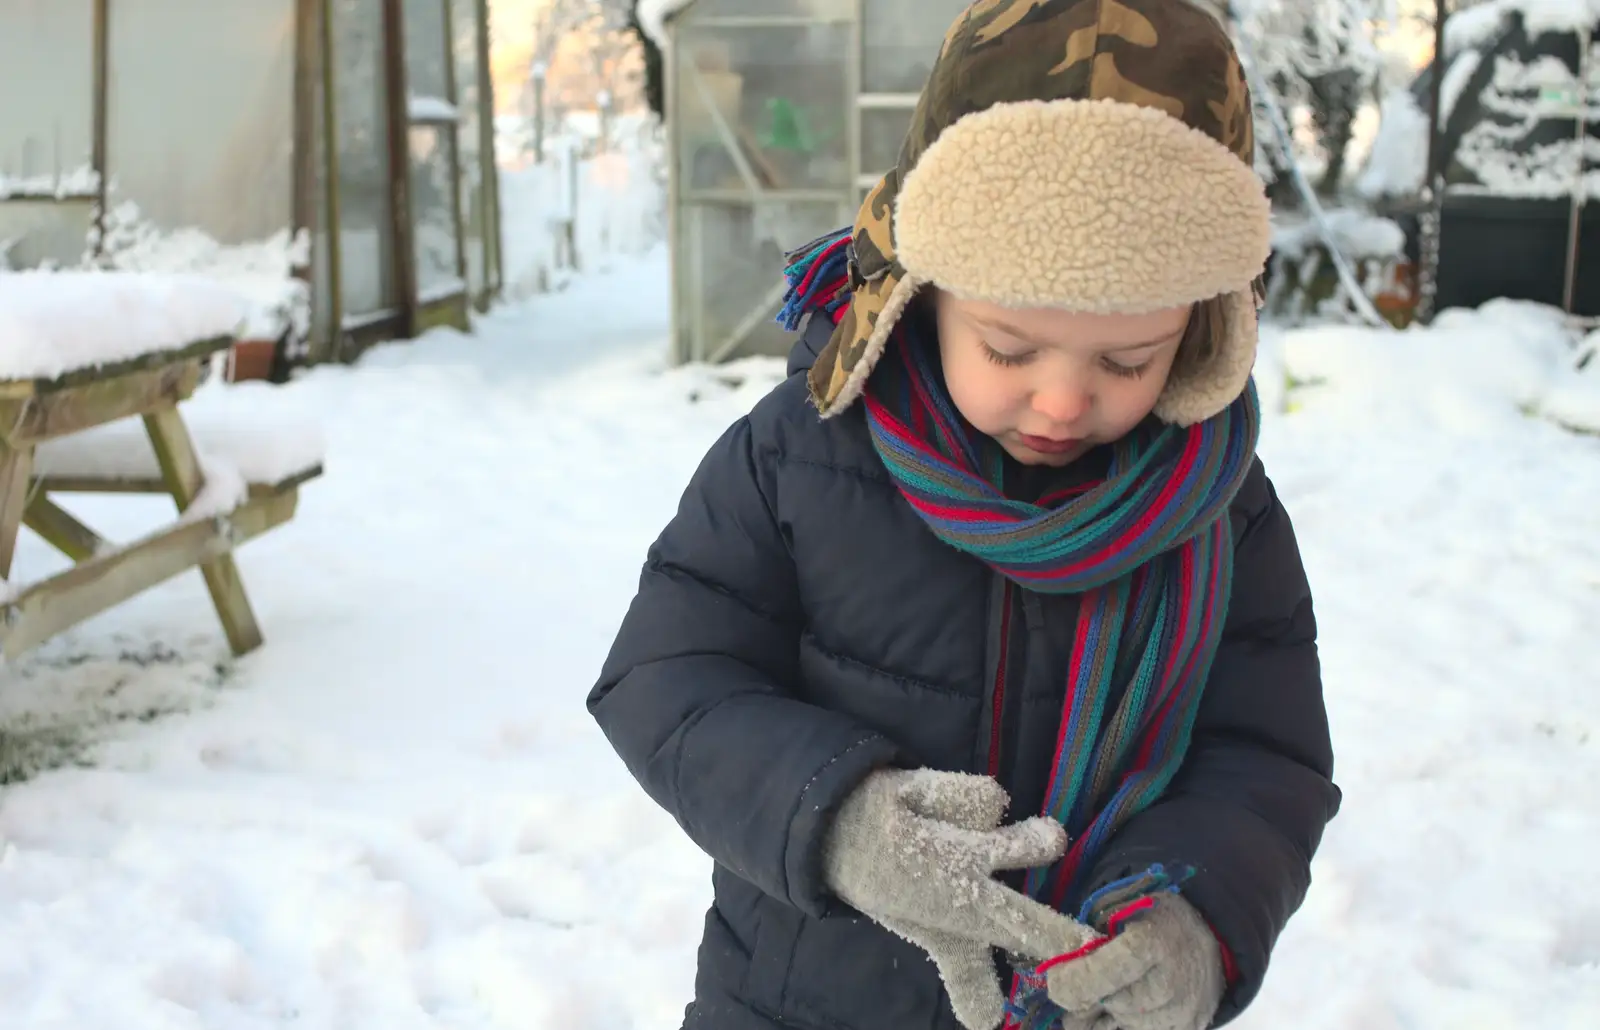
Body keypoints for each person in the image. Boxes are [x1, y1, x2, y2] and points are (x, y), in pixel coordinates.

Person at [587, 2, 1341, 1029]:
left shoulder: (1220, 513)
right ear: (923, 291)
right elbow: (664, 677)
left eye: (1128, 359)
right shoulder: (802, 454)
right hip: (799, 1002)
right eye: (1009, 346)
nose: (1065, 399)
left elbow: (1265, 754)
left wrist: (1196, 918)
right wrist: (835, 818)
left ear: (1203, 330)